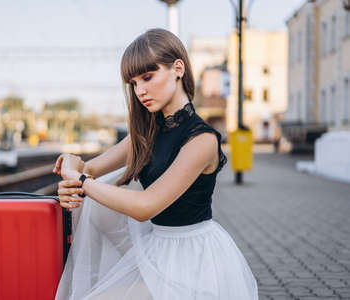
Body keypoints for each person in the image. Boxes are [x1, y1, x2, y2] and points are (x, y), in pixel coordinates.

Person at [52, 28, 258, 300]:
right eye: (134, 83)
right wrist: (70, 163)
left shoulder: (202, 139)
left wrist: (79, 182)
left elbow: (145, 206)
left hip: (193, 259)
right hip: (156, 247)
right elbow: (88, 170)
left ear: (178, 68)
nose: (140, 91)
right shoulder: (146, 133)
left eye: (147, 77)